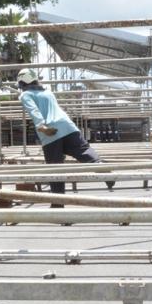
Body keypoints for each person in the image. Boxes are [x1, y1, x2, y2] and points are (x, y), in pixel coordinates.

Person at [16, 68, 113, 207]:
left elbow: (34, 110)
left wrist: (41, 126)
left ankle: (58, 205)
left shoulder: (25, 95)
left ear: (22, 83)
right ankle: (101, 166)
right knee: (83, 151)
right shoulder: (48, 92)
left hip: (50, 132)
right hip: (68, 126)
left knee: (55, 169)